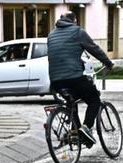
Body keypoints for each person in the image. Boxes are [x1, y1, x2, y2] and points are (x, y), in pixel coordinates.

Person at [47, 12, 114, 147]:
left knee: (72, 102)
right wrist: (108, 63)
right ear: (74, 20)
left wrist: (79, 62)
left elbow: (61, 55)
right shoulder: (77, 32)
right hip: (74, 78)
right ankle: (86, 128)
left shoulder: (51, 35)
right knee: (94, 99)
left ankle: (75, 132)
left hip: (55, 81)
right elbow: (94, 49)